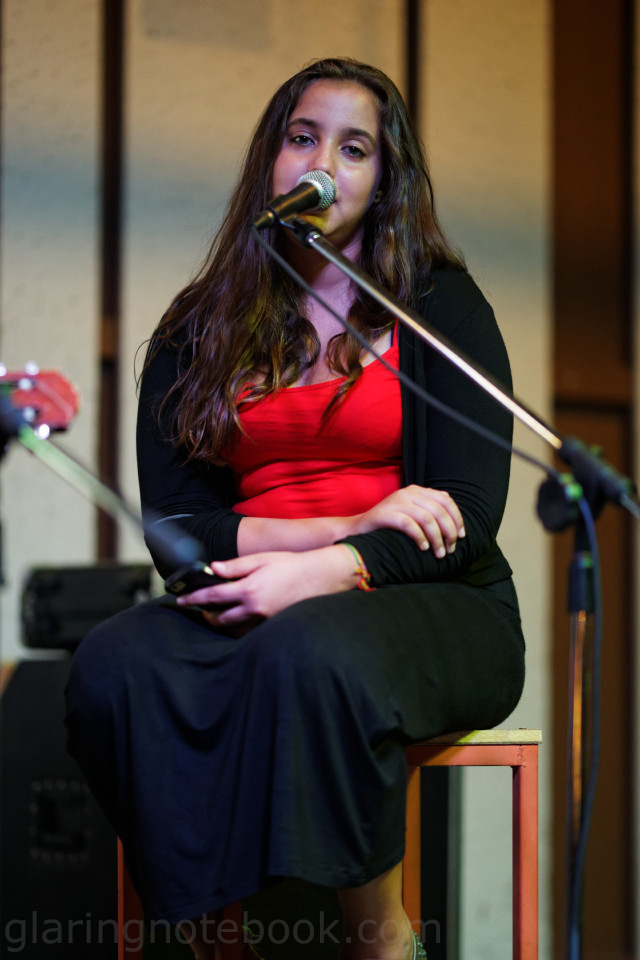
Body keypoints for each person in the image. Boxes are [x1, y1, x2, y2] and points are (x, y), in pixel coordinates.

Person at [65, 57, 525, 960]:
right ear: (271, 161)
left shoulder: (438, 304)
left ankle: (380, 937)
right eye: (303, 138)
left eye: (354, 149)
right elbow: (177, 529)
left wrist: (334, 571)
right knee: (115, 666)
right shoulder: (199, 324)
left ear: (384, 179)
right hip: (260, 583)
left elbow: (465, 514)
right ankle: (213, 937)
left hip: (432, 595)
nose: (323, 162)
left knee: (311, 649)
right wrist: (334, 535)